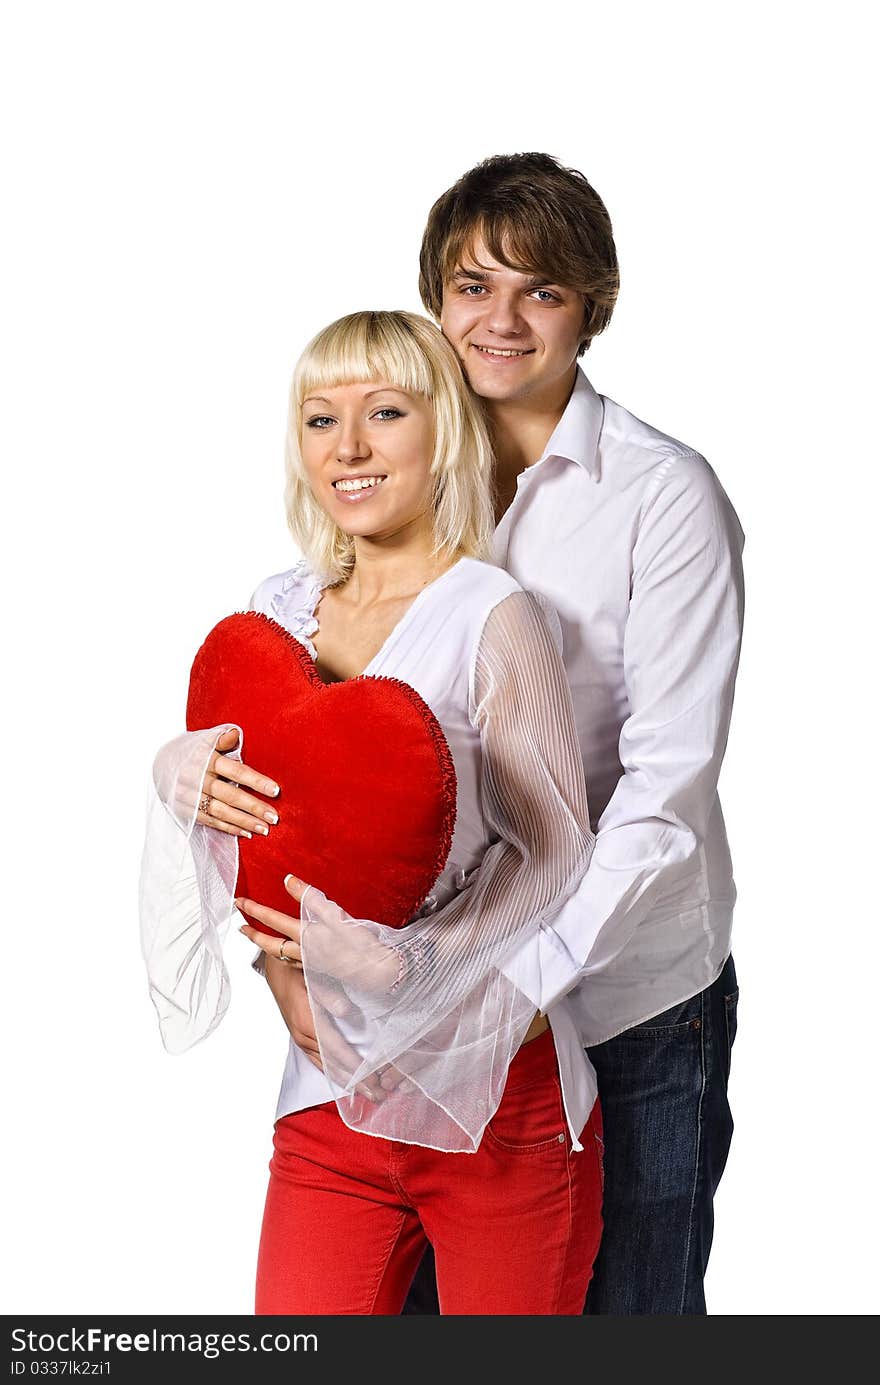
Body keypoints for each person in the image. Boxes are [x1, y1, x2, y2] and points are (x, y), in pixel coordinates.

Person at [268, 154, 746, 1316]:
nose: (500, 320)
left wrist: (514, 980)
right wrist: (284, 950)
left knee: (628, 1312)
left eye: (540, 290)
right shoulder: (400, 460)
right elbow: (321, 718)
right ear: (436, 297)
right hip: (415, 1001)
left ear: (591, 307)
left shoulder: (661, 493)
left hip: (623, 992)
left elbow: (665, 786)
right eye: (473, 284)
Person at [140, 309, 605, 1316]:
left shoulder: (490, 610)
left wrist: (417, 963)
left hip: (495, 1098)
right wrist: (180, 786)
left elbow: (559, 849)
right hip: (329, 1099)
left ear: (440, 430)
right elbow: (269, 835)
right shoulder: (275, 611)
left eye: (383, 412)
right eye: (319, 419)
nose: (346, 448)